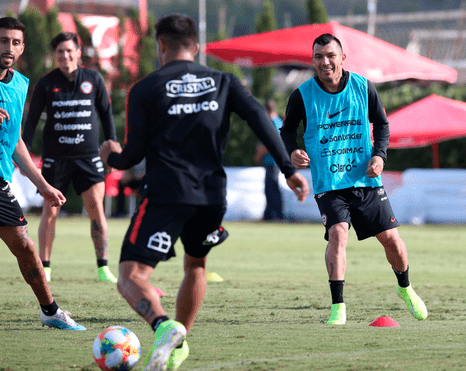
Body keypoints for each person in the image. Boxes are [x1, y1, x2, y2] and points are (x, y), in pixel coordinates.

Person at [99, 14, 308, 370]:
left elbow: (133, 154)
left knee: (130, 275)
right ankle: (178, 346)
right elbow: (259, 117)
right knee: (196, 264)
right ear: (196, 47)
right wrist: (288, 169)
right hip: (212, 195)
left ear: (160, 46)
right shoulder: (224, 81)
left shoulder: (145, 89)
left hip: (166, 194)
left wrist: (111, 156)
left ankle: (164, 326)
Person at [280, 33, 428, 325]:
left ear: (342, 58)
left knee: (393, 242)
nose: (325, 62)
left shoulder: (363, 87)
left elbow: (382, 124)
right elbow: (287, 131)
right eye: (319, 57)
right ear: (313, 61)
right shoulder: (302, 95)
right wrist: (292, 151)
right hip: (329, 185)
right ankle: (338, 309)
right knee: (338, 234)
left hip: (365, 182)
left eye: (331, 56)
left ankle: (406, 288)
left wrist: (380, 155)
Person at [0, 16, 84, 330]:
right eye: (3, 40)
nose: (9, 47)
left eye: (15, 42)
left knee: (23, 246)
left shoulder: (20, 85)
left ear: (22, 48)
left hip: (1, 179)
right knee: (25, 245)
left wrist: (44, 185)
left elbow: (16, 141)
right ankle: (51, 311)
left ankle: (50, 312)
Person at [22, 32, 118, 283]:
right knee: (50, 212)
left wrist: (112, 146)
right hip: (56, 158)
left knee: (96, 208)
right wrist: (27, 153)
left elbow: (106, 114)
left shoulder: (94, 79)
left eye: (69, 50)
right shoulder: (45, 83)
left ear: (77, 52)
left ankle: (103, 267)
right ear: (54, 56)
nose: (65, 55)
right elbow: (31, 121)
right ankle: (46, 267)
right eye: (59, 52)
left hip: (89, 156)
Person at [254, 100, 284, 220]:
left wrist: (259, 154)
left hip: (272, 161)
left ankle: (275, 214)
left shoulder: (273, 123)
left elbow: (271, 143)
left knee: (272, 188)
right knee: (271, 188)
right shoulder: (279, 122)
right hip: (274, 161)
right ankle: (270, 213)